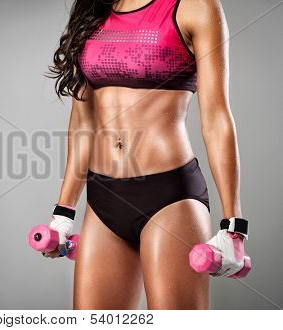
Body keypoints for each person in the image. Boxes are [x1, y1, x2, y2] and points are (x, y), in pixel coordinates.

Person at [43, 0, 249, 309]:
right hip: (104, 198)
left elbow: (216, 118)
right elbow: (82, 122)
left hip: (169, 197)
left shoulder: (194, 7)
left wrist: (233, 225)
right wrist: (64, 210)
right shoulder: (93, 9)